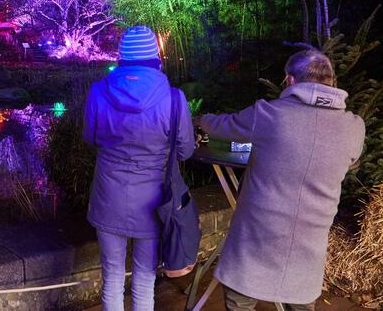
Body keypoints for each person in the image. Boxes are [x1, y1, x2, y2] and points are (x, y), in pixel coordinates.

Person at [195, 50, 365, 311]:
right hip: (310, 239)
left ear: (290, 80)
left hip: (256, 235)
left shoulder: (268, 115)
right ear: (332, 81)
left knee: (240, 301)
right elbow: (351, 161)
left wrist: (199, 119)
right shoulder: (354, 126)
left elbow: (220, 125)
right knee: (301, 302)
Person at [83, 25, 195, 311]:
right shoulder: (174, 99)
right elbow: (185, 150)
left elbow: (91, 137)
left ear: (121, 58)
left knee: (112, 276)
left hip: (108, 196)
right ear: (155, 58)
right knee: (145, 279)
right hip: (153, 201)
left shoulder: (98, 92)